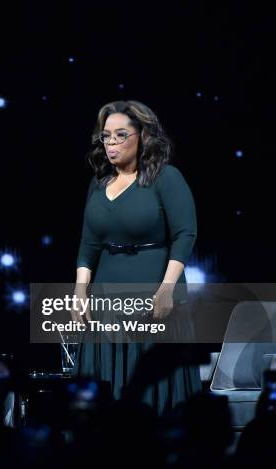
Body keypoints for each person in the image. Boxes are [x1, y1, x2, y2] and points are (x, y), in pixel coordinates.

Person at [73, 100, 201, 414]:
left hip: (153, 292)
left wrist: (167, 288)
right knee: (105, 394)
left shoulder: (165, 178)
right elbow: (89, 243)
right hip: (106, 296)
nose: (112, 144)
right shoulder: (99, 183)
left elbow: (185, 234)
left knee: (150, 387)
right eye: (106, 136)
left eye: (121, 135)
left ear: (142, 136)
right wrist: (79, 290)